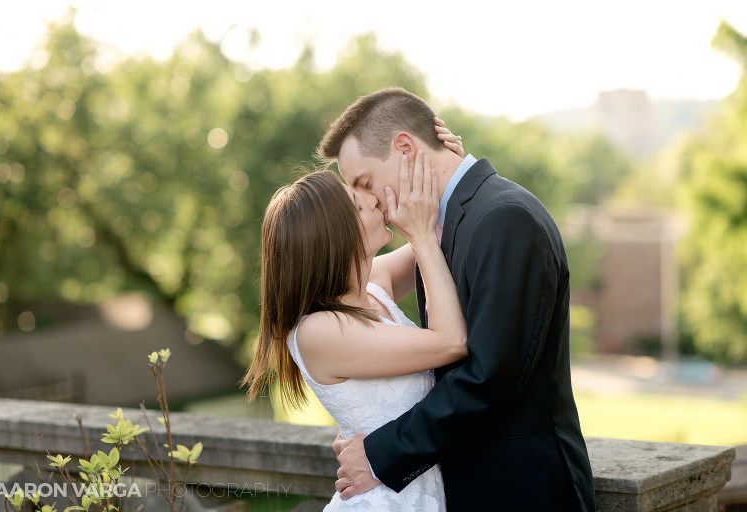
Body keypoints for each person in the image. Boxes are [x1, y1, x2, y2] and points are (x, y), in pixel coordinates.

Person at [319, 87, 596, 511]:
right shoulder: (437, 224)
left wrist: (378, 454)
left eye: (367, 182)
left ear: (406, 148)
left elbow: (488, 379)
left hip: (522, 493)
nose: (370, 200)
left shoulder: (505, 219)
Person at [243, 143, 467, 510]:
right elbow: (451, 341)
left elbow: (435, 221)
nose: (376, 202)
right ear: (334, 238)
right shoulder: (319, 331)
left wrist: (444, 166)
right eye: (360, 205)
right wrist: (422, 236)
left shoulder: (374, 285)